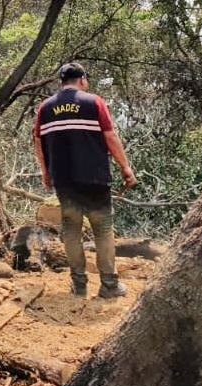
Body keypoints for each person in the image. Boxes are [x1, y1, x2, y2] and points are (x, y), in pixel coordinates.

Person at [33, 62, 137, 298]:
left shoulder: (45, 108)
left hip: (64, 180)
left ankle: (79, 284)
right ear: (82, 80)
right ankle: (109, 285)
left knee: (71, 230)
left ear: (62, 82)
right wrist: (126, 168)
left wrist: (46, 171)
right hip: (95, 178)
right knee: (103, 230)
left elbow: (39, 142)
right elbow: (110, 136)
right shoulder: (94, 102)